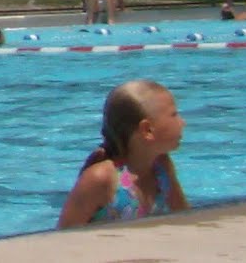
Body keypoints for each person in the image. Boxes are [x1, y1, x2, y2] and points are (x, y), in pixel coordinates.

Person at [57, 79, 188, 227]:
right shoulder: (101, 179)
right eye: (174, 114)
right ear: (147, 130)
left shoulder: (162, 167)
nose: (183, 122)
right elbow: (62, 238)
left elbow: (184, 219)